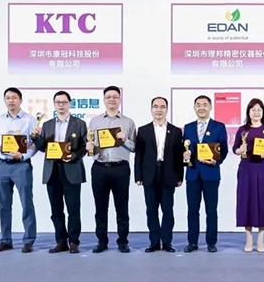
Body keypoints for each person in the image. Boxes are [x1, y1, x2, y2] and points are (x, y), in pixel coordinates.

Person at [31, 91, 88, 253]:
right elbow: (43, 148)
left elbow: (85, 146)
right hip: (52, 171)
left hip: (72, 169)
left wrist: (74, 156)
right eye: (58, 102)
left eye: (64, 102)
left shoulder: (80, 124)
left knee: (73, 210)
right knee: (56, 210)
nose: (61, 105)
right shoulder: (47, 125)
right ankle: (61, 241)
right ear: (54, 104)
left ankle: (74, 242)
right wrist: (35, 138)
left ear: (70, 103)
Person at [86, 86, 136, 253]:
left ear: (120, 99)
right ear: (104, 100)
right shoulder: (95, 121)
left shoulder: (128, 122)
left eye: (115, 96)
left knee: (122, 208)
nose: (112, 99)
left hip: (120, 168)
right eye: (108, 97)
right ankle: (102, 241)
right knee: (100, 208)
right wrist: (89, 147)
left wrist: (125, 139)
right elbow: (91, 144)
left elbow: (135, 147)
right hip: (99, 167)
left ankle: (123, 241)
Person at [0, 87, 38, 253]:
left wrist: (23, 156)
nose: (11, 100)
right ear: (5, 100)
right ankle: (5, 240)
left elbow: (35, 144)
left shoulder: (30, 120)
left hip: (21, 165)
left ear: (20, 100)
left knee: (26, 202)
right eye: (8, 98)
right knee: (3, 204)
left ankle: (29, 240)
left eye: (14, 97)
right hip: (2, 165)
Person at [134, 97, 185, 253]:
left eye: (162, 107)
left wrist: (179, 176)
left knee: (168, 210)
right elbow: (139, 155)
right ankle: (154, 242)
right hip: (149, 174)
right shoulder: (143, 130)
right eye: (155, 106)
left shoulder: (176, 131)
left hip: (168, 174)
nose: (159, 110)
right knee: (151, 210)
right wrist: (138, 176)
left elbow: (179, 156)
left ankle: (167, 242)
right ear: (151, 109)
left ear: (167, 109)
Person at [182, 95, 228, 252]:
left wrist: (216, 161)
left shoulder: (218, 126)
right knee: (192, 210)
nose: (201, 108)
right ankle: (192, 242)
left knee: (211, 210)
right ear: (194, 107)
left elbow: (224, 149)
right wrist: (184, 156)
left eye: (205, 105)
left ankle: (211, 242)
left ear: (210, 107)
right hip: (192, 174)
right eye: (198, 105)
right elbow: (183, 149)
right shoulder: (188, 127)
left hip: (211, 174)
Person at [234, 99, 264, 253]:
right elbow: (235, 149)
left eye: (259, 110)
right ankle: (249, 238)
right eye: (253, 110)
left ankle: (261, 239)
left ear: (263, 112)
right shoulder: (242, 130)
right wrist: (240, 150)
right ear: (248, 112)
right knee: (247, 201)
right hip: (247, 169)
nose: (256, 112)